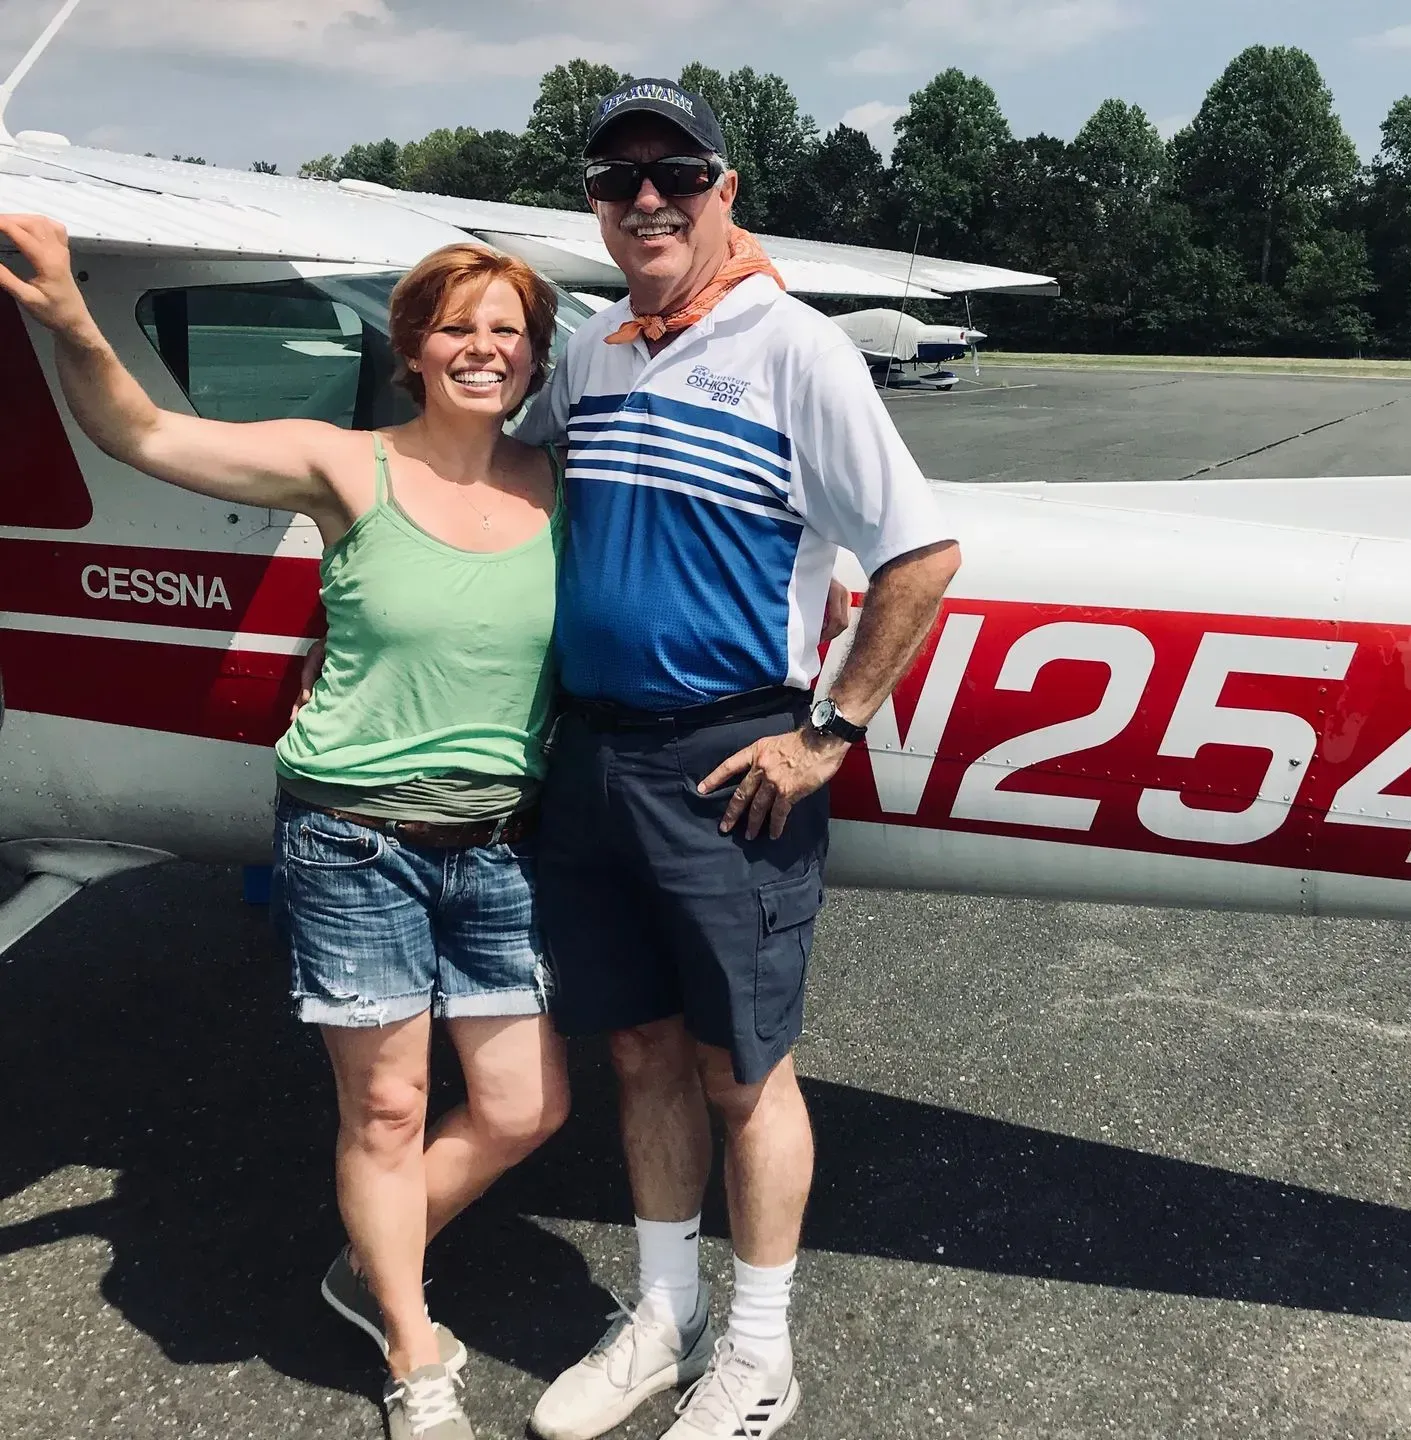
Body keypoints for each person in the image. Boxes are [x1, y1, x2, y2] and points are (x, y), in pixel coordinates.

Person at [0, 220, 571, 1440]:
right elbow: (144, 433)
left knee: (525, 1108)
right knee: (386, 1112)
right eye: (457, 328)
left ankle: (370, 1260)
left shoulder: (559, 481)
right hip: (354, 839)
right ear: (412, 348)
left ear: (535, 360)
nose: (483, 350)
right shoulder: (343, 463)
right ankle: (415, 1351)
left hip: (497, 845)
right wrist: (69, 319)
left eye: (508, 333)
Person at [512, 80, 962, 1440]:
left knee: (742, 1067)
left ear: (726, 192)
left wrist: (828, 731)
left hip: (727, 754)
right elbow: (494, 468)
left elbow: (918, 555)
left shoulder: (795, 348)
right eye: (615, 178)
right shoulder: (589, 350)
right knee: (640, 1049)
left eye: (676, 173)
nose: (645, 197)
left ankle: (760, 1349)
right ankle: (665, 1311)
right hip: (592, 753)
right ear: (593, 205)